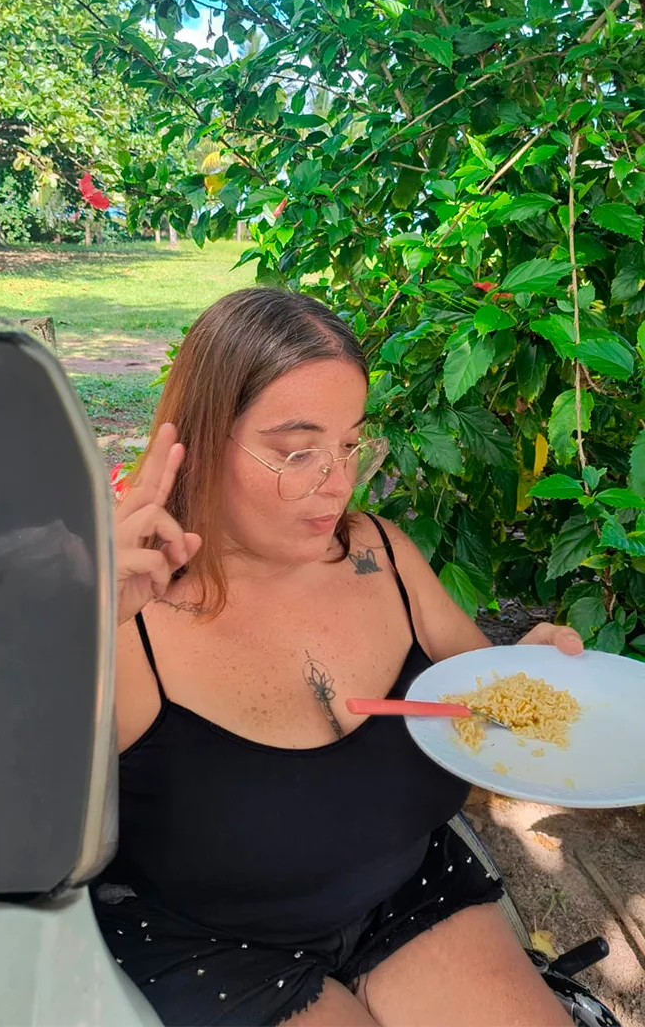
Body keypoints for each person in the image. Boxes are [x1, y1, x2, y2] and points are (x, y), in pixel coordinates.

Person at [92, 286, 582, 1027]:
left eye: (351, 444)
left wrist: (528, 677)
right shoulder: (127, 619)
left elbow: (484, 702)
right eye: (298, 451)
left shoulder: (381, 554)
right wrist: (80, 631)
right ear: (202, 439)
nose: (340, 482)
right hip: (209, 941)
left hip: (406, 890)